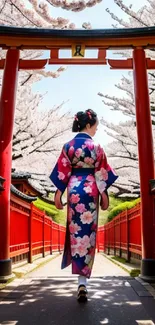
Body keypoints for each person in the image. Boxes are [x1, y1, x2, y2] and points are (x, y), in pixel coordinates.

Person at [49, 109, 118, 302]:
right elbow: (101, 174)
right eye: (95, 125)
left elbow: (62, 172)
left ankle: (80, 282)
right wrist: (104, 195)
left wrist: (58, 193)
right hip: (91, 190)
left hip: (73, 191)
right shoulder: (96, 146)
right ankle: (83, 282)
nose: (96, 129)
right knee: (88, 235)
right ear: (88, 125)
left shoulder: (68, 146)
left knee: (75, 232)